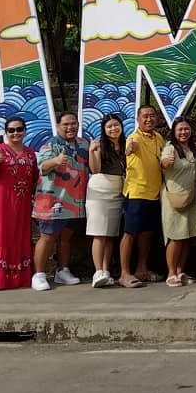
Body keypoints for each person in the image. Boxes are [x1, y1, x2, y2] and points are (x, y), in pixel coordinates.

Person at [0, 117, 36, 290]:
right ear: (6, 132)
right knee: (1, 234)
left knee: (20, 235)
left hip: (23, 202)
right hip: (1, 202)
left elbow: (34, 177)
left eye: (19, 129)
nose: (15, 133)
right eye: (11, 130)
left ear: (24, 131)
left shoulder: (30, 152)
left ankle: (20, 277)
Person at [32, 110, 88, 290]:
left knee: (66, 238)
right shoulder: (51, 145)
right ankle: (39, 274)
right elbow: (42, 167)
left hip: (74, 201)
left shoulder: (83, 144)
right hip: (53, 200)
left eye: (73, 123)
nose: (70, 127)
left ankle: (62, 270)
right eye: (66, 124)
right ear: (58, 126)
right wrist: (55, 160)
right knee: (47, 237)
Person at [119, 105, 166, 288]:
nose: (149, 119)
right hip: (136, 192)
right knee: (130, 233)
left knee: (147, 234)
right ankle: (124, 273)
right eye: (145, 116)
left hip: (154, 194)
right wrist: (130, 149)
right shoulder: (133, 137)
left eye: (152, 116)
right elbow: (127, 150)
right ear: (137, 119)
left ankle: (142, 269)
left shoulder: (159, 137)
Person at [158, 117, 196, 287]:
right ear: (174, 132)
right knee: (175, 236)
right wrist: (164, 164)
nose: (184, 132)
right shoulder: (170, 148)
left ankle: (180, 270)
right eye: (180, 129)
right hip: (175, 198)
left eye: (186, 129)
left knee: (187, 236)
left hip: (193, 198)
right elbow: (164, 163)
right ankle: (171, 272)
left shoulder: (194, 149)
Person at [86, 113, 126, 288]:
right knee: (99, 233)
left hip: (118, 189)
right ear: (104, 129)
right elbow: (95, 169)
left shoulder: (126, 145)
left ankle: (106, 270)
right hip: (100, 189)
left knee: (110, 234)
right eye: (109, 126)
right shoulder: (100, 145)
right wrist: (92, 152)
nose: (113, 129)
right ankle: (97, 271)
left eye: (116, 125)